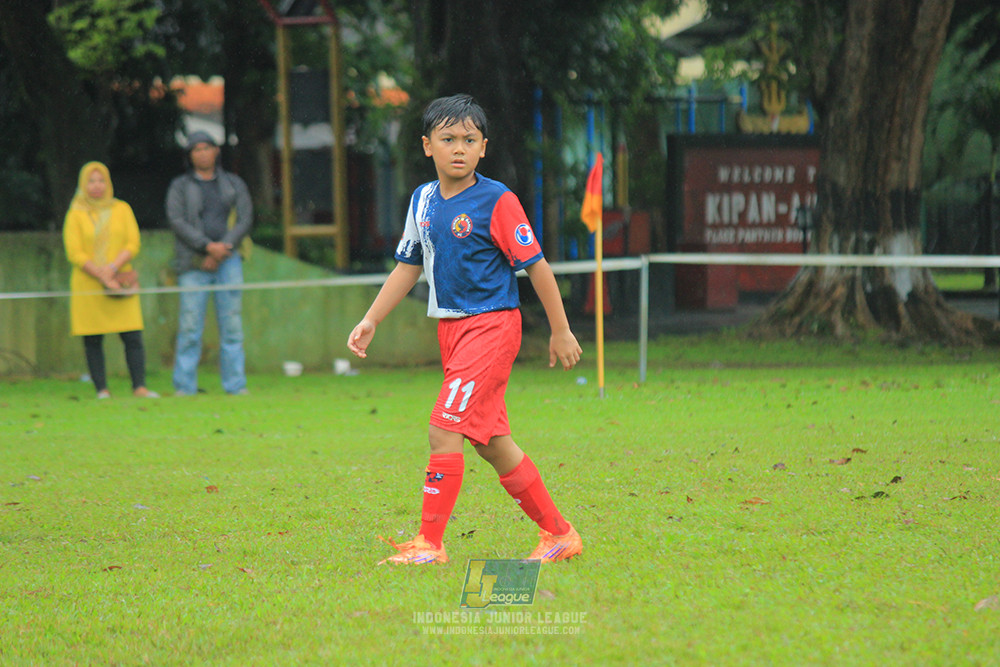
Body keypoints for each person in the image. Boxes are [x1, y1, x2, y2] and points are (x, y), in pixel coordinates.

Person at [347, 94, 584, 565]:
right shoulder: (422, 199)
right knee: (492, 443)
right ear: (427, 146)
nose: (459, 148)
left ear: (483, 148)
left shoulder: (498, 200)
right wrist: (371, 318)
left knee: (443, 429)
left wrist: (560, 329)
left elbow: (535, 267)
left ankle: (429, 545)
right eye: (448, 138)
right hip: (452, 332)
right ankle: (559, 534)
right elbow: (406, 267)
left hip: (492, 326)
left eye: (469, 140)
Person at [166, 131, 253, 396]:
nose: (202, 153)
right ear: (190, 155)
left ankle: (236, 386)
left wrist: (222, 248)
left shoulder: (233, 183)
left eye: (207, 148)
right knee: (190, 327)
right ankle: (184, 387)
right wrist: (206, 247)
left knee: (232, 327)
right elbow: (177, 221)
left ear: (216, 151)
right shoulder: (180, 186)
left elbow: (245, 219)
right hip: (193, 264)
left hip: (229, 261)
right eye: (196, 149)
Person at [63, 161, 158, 399]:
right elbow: (74, 252)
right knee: (93, 338)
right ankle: (102, 389)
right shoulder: (75, 213)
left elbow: (132, 242)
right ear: (83, 185)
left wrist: (113, 268)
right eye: (91, 181)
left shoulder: (122, 209)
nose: (97, 186)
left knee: (132, 335)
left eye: (101, 180)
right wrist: (101, 273)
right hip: (89, 283)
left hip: (121, 282)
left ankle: (140, 387)